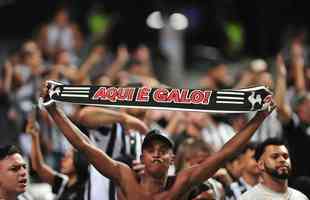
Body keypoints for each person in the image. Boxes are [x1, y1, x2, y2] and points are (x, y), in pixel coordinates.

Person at [41, 81, 274, 200]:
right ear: (141, 156)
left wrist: (260, 117)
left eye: (163, 150)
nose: (156, 153)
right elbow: (83, 144)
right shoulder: (125, 177)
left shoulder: (181, 183)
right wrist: (52, 109)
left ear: (172, 158)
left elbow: (225, 152)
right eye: (150, 149)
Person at [26, 112, 89, 200]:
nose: (63, 160)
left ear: (79, 160)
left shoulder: (88, 187)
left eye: (68, 157)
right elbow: (38, 167)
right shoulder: (62, 183)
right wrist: (34, 136)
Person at [240, 138, 308, 200]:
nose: (282, 160)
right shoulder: (249, 198)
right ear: (261, 165)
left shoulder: (301, 197)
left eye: (285, 156)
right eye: (275, 157)